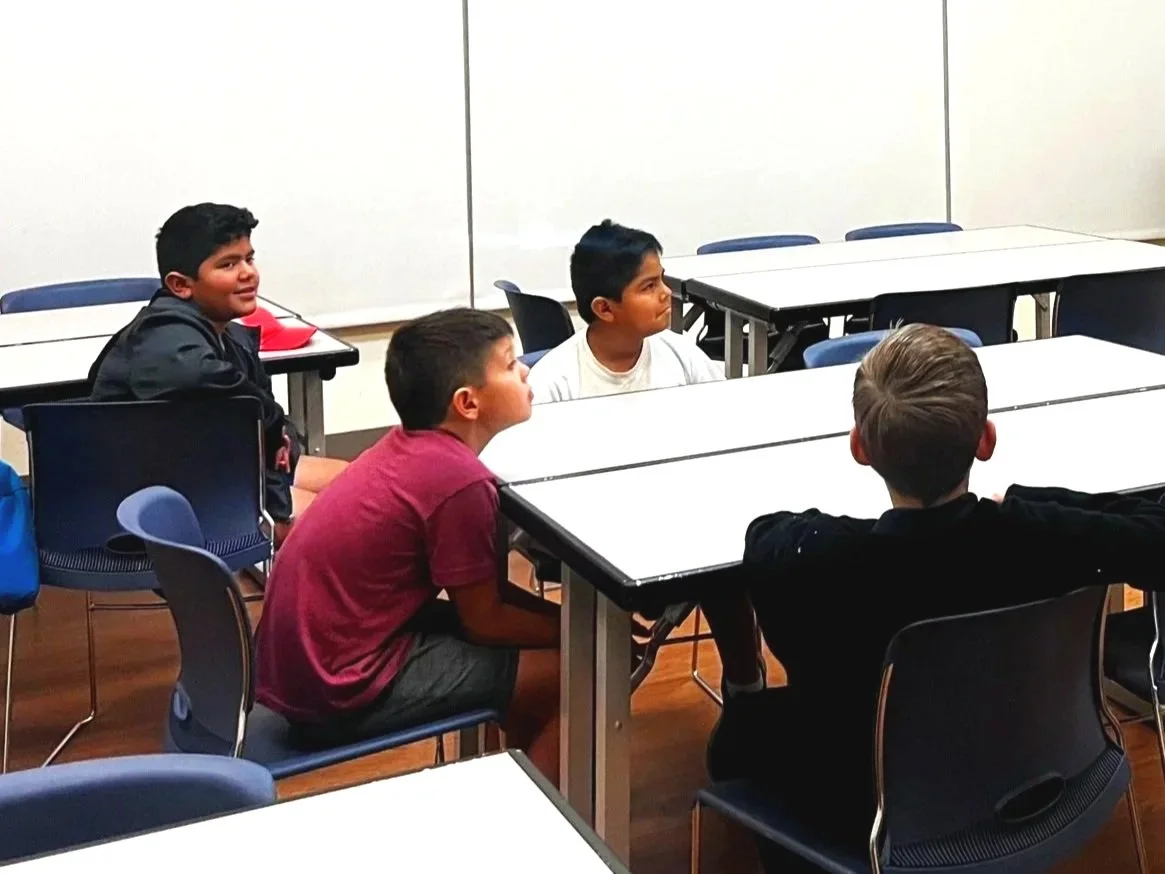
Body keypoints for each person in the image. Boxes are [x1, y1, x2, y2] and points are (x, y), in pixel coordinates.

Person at [707, 323, 1165, 869]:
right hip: (1043, 770)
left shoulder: (819, 563)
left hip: (874, 809)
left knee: (743, 731)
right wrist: (1021, 505)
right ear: (986, 440)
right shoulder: (1046, 543)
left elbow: (766, 534)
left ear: (859, 448)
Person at [254, 308, 563, 784]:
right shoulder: (458, 482)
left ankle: (505, 782)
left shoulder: (409, 447)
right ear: (467, 402)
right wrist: (578, 632)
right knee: (573, 672)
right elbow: (484, 620)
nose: (524, 370)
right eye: (508, 364)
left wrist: (571, 625)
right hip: (336, 690)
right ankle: (536, 829)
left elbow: (482, 606)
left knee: (561, 651)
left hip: (311, 666)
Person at [527, 219, 766, 700]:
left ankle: (747, 688)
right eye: (649, 286)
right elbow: (542, 493)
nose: (666, 296)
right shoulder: (556, 380)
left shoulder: (680, 354)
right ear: (604, 308)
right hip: (599, 537)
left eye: (663, 281)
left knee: (733, 561)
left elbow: (726, 426)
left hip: (683, 520)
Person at [88, 203, 347, 544]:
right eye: (228, 264)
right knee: (349, 521)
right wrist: (270, 425)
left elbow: (260, 408)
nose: (248, 273)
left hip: (228, 471)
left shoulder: (232, 335)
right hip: (168, 496)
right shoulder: (163, 337)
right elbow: (204, 381)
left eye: (248, 259)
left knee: (366, 484)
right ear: (181, 285)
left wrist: (277, 431)